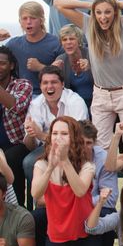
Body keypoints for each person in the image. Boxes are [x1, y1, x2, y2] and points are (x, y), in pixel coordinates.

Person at [54, 0, 123, 150]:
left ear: (115, 12)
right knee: (101, 147)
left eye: (107, 12)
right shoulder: (89, 24)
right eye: (99, 12)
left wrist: (111, 3)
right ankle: (105, 176)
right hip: (101, 94)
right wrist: (92, 5)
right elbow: (58, 3)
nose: (103, 17)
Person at [31, 116, 99, 246]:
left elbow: (79, 190)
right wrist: (51, 167)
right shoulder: (41, 164)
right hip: (56, 237)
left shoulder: (87, 165)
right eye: (54, 133)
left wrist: (65, 162)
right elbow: (35, 194)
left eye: (64, 133)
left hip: (85, 236)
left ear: (74, 138)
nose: (58, 138)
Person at [22, 65, 88, 208]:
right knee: (29, 162)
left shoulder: (75, 101)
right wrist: (30, 134)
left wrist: (40, 134)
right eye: (45, 83)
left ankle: (69, 200)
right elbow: (30, 146)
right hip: (47, 148)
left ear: (62, 84)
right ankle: (42, 202)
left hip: (75, 146)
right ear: (40, 85)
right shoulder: (36, 104)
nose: (49, 86)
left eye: (54, 82)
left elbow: (77, 138)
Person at [2, 2, 63, 95]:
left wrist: (41, 67)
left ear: (41, 20)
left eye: (33, 18)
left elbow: (65, 76)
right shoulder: (13, 44)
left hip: (49, 95)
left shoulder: (56, 43)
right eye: (24, 18)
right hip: (20, 96)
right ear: (20, 22)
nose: (28, 22)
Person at [0, 47, 33, 206]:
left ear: (11, 66)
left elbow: (15, 106)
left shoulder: (23, 84)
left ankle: (18, 210)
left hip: (19, 142)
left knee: (9, 159)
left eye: (2, 63)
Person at [52, 24, 94, 110]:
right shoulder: (61, 59)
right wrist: (52, 71)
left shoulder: (91, 54)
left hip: (96, 103)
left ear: (79, 41)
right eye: (64, 40)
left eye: (71, 39)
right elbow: (55, 86)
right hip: (74, 106)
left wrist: (91, 67)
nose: (68, 42)